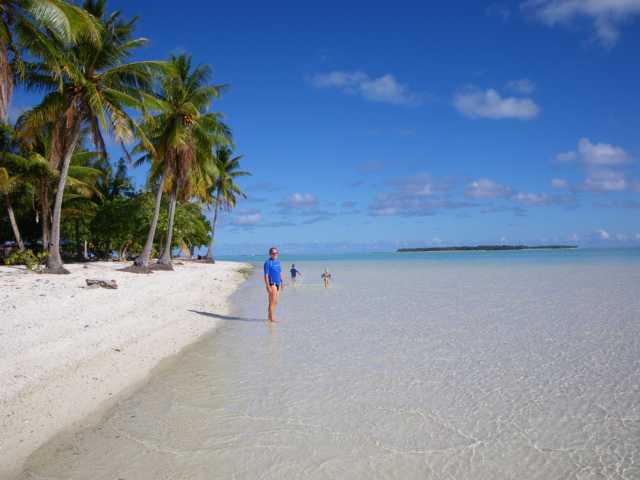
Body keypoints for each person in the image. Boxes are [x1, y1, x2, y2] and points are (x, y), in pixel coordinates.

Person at [264, 247, 284, 322]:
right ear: (270, 254)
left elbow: (280, 272)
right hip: (271, 283)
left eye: (276, 253)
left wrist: (282, 282)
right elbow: (266, 275)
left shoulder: (278, 262)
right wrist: (267, 286)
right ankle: (272, 318)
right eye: (273, 253)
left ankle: (269, 316)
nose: (275, 254)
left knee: (275, 301)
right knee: (273, 301)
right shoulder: (267, 263)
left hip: (278, 283)